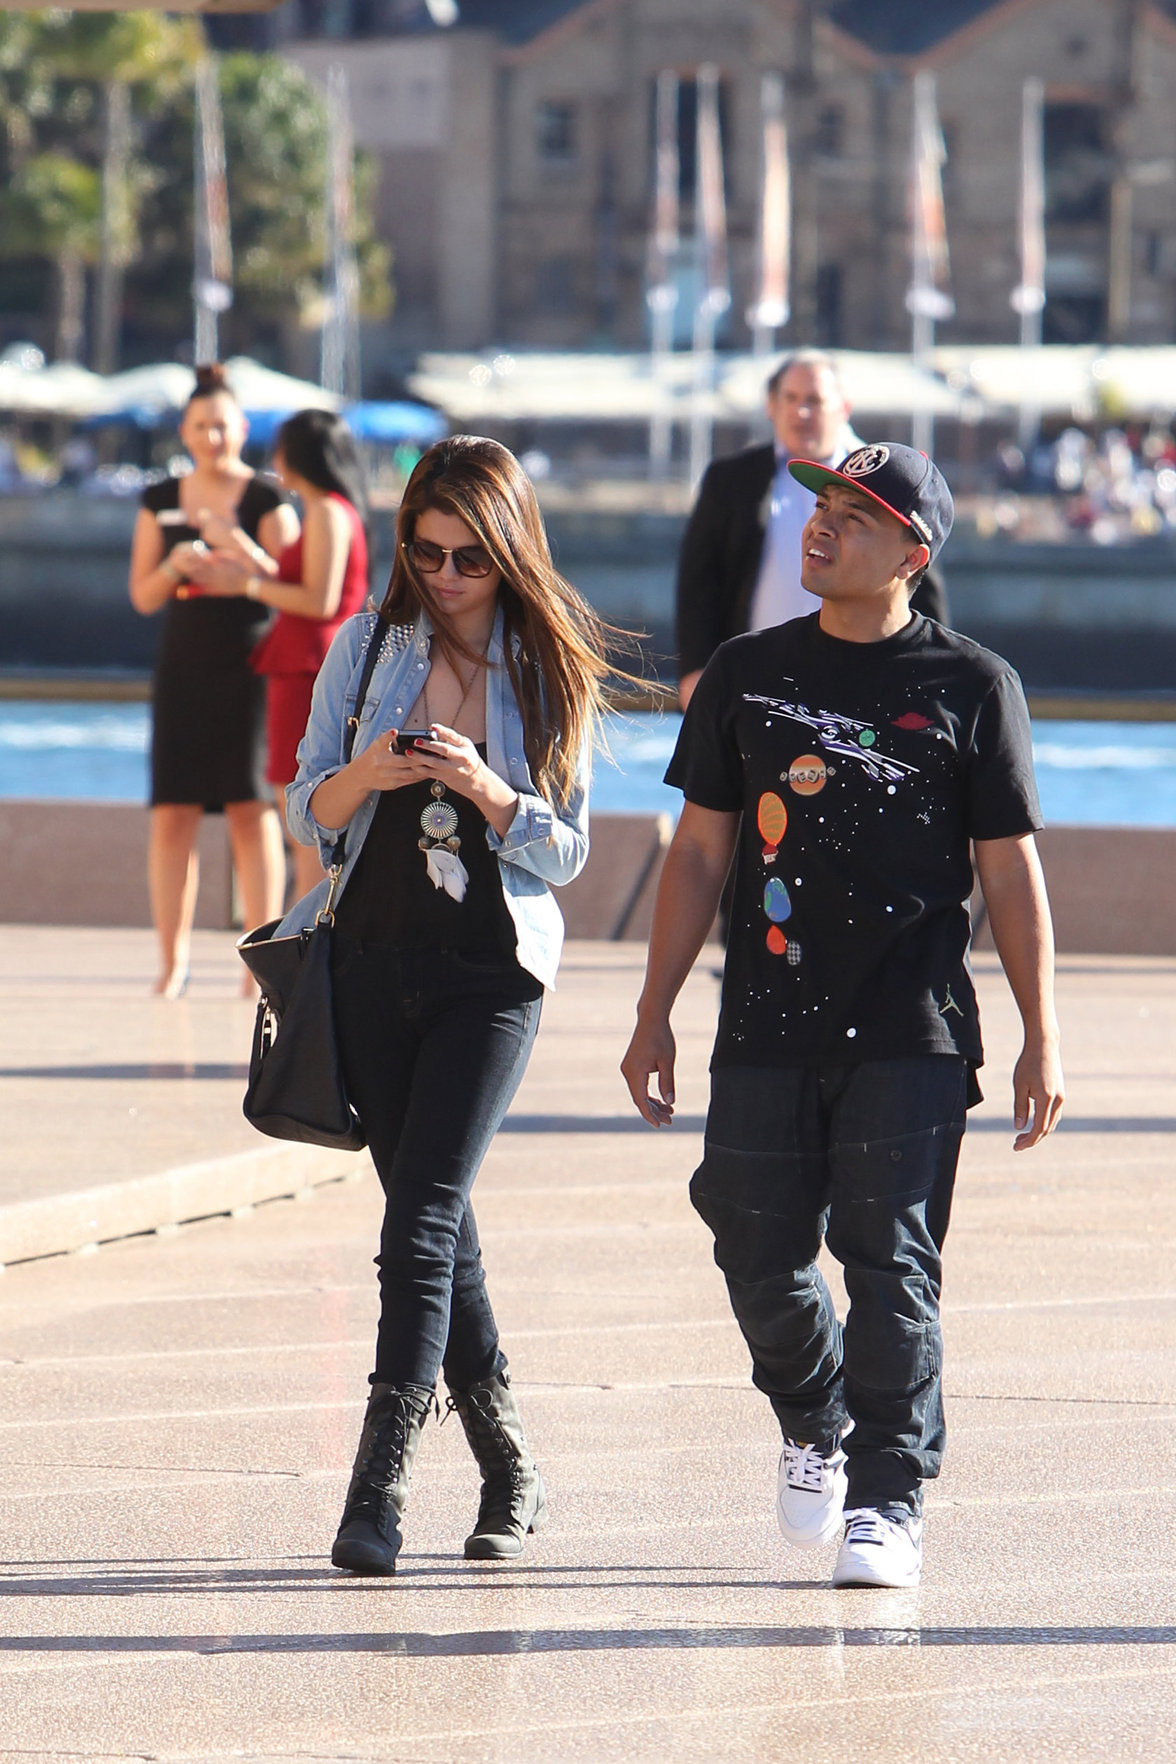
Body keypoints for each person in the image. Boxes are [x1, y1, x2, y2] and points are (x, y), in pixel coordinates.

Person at [622, 442, 1064, 1589]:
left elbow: (1008, 873)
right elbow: (700, 854)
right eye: (820, 505)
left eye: (856, 517)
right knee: (752, 1240)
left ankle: (890, 1497)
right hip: (765, 1016)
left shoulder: (972, 686)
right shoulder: (743, 672)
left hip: (913, 1025)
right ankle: (815, 1416)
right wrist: (654, 1010)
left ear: (913, 554)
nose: (821, 527)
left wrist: (1041, 1033)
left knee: (891, 1264)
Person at [280, 434, 615, 1575]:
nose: (449, 575)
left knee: (417, 1223)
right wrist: (369, 772)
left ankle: (375, 1491)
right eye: (427, 552)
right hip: (370, 962)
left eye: (471, 556)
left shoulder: (547, 664)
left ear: (510, 546)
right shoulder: (367, 648)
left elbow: (568, 850)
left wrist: (490, 790)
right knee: (442, 1223)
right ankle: (511, 1463)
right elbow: (302, 808)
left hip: (491, 977)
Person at [129, 364, 298, 997]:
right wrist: (176, 563)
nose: (212, 437)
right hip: (183, 668)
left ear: (242, 428)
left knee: (250, 811)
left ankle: (260, 964)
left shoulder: (264, 499)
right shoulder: (161, 499)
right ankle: (172, 962)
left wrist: (241, 549)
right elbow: (143, 596)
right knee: (171, 813)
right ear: (185, 430)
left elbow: (300, 585)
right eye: (200, 426)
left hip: (251, 667)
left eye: (222, 426)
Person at [675, 350, 948, 710]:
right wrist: (696, 667)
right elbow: (699, 581)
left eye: (815, 401)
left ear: (843, 408)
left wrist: (934, 674)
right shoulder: (731, 480)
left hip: (859, 677)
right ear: (771, 405)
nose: (801, 412)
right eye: (790, 399)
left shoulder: (887, 483)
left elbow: (918, 582)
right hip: (754, 680)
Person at [196, 408, 371, 900]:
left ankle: (307, 933)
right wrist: (244, 552)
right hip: (306, 663)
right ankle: (307, 930)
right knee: (300, 799)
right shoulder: (331, 511)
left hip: (308, 667)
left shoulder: (328, 513)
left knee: (303, 804)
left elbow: (319, 600)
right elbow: (302, 582)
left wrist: (245, 583)